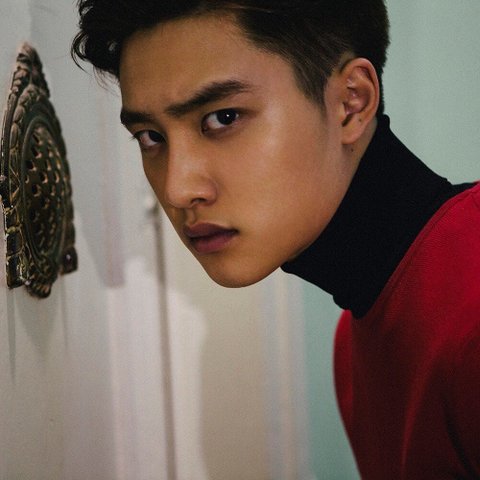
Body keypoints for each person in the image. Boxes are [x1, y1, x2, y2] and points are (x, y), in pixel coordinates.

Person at [72, 1, 480, 478]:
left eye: (223, 118)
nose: (178, 188)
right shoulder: (356, 340)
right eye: (150, 137)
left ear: (351, 102)